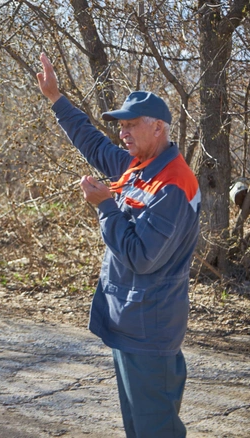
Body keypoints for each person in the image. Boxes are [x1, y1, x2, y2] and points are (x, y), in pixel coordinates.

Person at [36, 53, 200, 438]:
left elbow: (142, 257)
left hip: (150, 329)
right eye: (121, 126)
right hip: (130, 322)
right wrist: (56, 98)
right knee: (140, 430)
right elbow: (92, 143)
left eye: (130, 125)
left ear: (158, 127)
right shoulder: (137, 166)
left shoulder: (173, 185)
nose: (122, 133)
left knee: (156, 431)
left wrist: (105, 206)